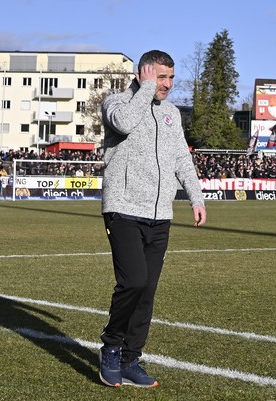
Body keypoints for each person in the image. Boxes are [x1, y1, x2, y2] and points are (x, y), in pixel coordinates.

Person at [98, 50, 207, 388]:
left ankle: (131, 359)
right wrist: (145, 90)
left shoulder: (172, 113)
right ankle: (111, 349)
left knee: (147, 290)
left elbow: (180, 159)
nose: (168, 85)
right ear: (144, 74)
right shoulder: (115, 102)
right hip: (124, 208)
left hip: (160, 214)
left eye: (171, 78)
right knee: (132, 282)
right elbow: (125, 123)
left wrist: (195, 197)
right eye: (161, 77)